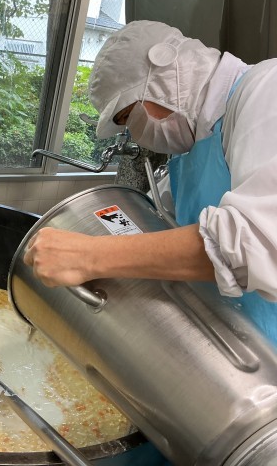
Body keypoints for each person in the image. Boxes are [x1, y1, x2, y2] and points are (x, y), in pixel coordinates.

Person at [23, 20, 277, 342]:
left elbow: (260, 242)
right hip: (230, 343)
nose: (135, 131)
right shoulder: (190, 155)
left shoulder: (266, 87)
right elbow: (154, 234)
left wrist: (88, 255)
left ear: (164, 78)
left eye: (130, 116)